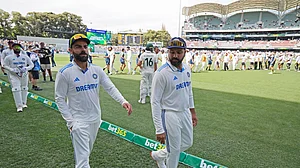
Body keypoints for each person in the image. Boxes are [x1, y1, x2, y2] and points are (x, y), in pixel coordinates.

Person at [55, 34, 132, 168]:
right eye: (78, 47)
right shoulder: (65, 73)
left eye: (85, 46)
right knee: (83, 162)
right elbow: (59, 98)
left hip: (95, 120)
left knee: (85, 155)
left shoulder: (96, 70)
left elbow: (110, 87)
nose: (83, 50)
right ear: (71, 50)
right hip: (79, 122)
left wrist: (122, 101)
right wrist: (71, 122)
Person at [150, 37, 198, 168]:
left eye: (178, 52)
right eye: (172, 52)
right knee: (175, 150)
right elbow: (154, 102)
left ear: (185, 52)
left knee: (187, 143)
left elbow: (189, 91)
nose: (175, 55)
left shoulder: (187, 69)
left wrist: (192, 111)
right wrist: (159, 129)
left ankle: (159, 155)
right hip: (170, 114)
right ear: (167, 52)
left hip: (185, 112)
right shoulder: (161, 73)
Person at [3, 43, 34, 112]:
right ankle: (19, 106)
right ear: (12, 48)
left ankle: (24, 103)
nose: (16, 48)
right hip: (14, 75)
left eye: (18, 47)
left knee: (24, 88)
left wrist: (26, 68)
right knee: (16, 89)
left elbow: (32, 65)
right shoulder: (9, 57)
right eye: (15, 47)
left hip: (24, 75)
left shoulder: (25, 57)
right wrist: (12, 69)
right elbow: (4, 65)